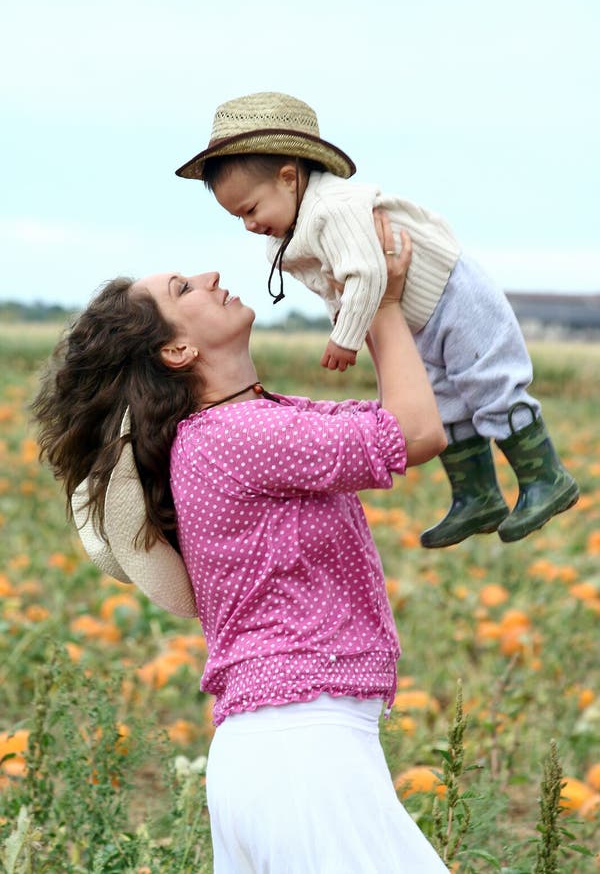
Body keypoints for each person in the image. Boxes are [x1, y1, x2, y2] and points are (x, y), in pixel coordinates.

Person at [33, 219, 450, 872]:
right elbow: (418, 432)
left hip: (281, 750)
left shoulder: (243, 427)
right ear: (175, 352)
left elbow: (410, 415)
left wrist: (363, 297)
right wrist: (386, 303)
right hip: (302, 748)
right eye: (183, 288)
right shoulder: (236, 437)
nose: (211, 278)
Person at [175, 90, 579, 549]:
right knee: (445, 400)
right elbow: (338, 290)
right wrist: (358, 328)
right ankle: (478, 495)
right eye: (237, 218)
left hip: (452, 292)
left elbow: (367, 275)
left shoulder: (335, 208)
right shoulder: (294, 234)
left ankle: (546, 477)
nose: (249, 225)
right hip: (417, 315)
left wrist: (345, 338)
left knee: (490, 383)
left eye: (250, 209)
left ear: (289, 178)